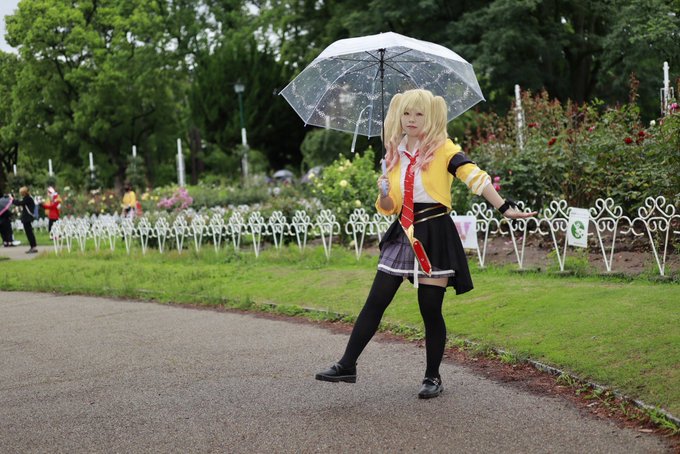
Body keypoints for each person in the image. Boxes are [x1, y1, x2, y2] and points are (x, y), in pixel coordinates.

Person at [315, 89, 536, 398]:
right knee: (376, 300)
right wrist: (383, 193)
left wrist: (504, 207)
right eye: (407, 113)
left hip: (435, 232)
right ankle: (347, 364)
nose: (412, 119)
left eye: (419, 114)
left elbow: (474, 176)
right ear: (399, 116)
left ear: (430, 117)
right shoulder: (393, 155)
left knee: (430, 307)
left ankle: (433, 377)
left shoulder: (444, 149)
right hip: (403, 231)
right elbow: (390, 207)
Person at [12, 186, 38, 253]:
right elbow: (20, 202)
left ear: (23, 193)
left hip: (27, 218)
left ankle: (33, 247)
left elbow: (19, 203)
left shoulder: (27, 199)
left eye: (21, 192)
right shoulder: (28, 198)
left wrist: (12, 200)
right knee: (29, 233)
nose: (20, 194)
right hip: (27, 218)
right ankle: (33, 247)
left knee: (29, 233)